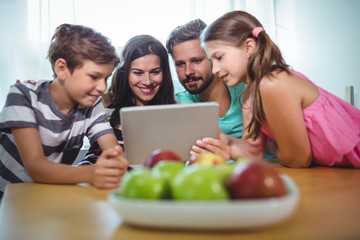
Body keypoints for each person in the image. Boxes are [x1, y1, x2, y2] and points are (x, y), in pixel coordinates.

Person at [196, 10, 360, 168]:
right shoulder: (250, 96)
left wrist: (272, 145)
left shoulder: (272, 84)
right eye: (212, 61)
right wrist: (225, 143)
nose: (214, 70)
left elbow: (297, 160)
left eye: (219, 57)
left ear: (248, 47)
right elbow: (253, 152)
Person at [0, 23, 128, 201]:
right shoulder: (23, 95)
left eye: (106, 78)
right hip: (7, 198)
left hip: (46, 196)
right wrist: (92, 173)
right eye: (94, 76)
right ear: (62, 68)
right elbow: (36, 168)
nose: (102, 88)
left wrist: (115, 160)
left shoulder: (91, 104)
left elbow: (112, 148)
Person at [78, 34, 176, 165]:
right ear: (125, 72)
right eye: (138, 72)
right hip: (94, 178)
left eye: (155, 72)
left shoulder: (175, 111)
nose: (147, 81)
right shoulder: (103, 104)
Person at [166, 19, 246, 140]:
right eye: (180, 64)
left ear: (213, 56)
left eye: (196, 61)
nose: (188, 72)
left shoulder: (245, 86)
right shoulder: (173, 97)